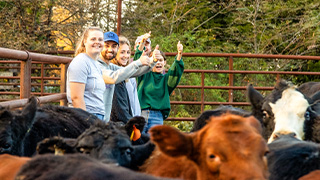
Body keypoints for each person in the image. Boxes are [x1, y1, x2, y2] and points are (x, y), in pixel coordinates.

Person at [98, 31, 161, 122]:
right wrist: (138, 62)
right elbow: (113, 77)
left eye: (114, 46)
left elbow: (133, 72)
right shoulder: (96, 65)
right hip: (96, 117)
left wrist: (153, 61)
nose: (110, 49)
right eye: (107, 45)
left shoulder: (111, 67)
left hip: (105, 120)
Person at [135, 41, 184, 134]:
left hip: (157, 116)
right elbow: (137, 63)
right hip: (141, 114)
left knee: (153, 144)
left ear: (164, 62)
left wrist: (179, 54)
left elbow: (175, 72)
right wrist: (141, 44)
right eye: (156, 60)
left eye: (161, 60)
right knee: (138, 142)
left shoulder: (166, 80)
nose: (158, 63)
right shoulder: (144, 75)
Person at [66, 27, 113, 120]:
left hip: (98, 116)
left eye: (100, 39)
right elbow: (76, 98)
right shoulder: (80, 62)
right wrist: (86, 122)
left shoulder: (95, 64)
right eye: (93, 39)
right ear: (84, 42)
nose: (97, 42)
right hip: (87, 116)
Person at [110, 36, 141, 124]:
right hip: (120, 122)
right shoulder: (113, 74)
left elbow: (134, 100)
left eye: (128, 52)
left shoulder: (130, 74)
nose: (126, 56)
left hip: (131, 117)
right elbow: (118, 105)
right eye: (122, 52)